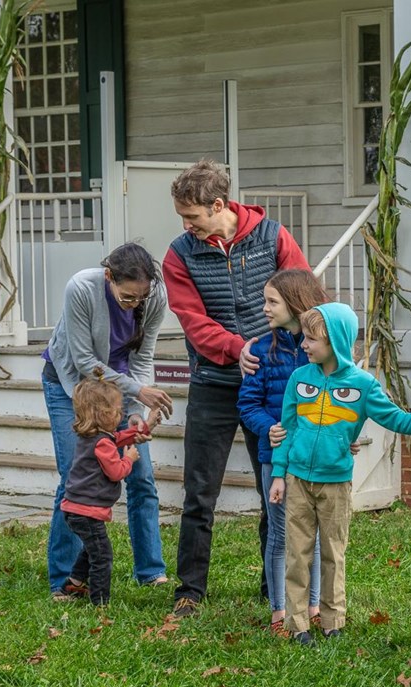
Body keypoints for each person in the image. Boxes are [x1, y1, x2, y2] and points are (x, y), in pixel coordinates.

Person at [163, 159, 311, 618]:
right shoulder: (179, 254)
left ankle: (275, 587)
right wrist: (235, 347)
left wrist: (288, 355)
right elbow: (192, 321)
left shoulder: (274, 237)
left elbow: (304, 296)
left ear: (220, 205)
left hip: (272, 387)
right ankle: (190, 590)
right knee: (199, 492)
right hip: (214, 381)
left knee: (275, 487)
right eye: (183, 218)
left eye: (193, 216)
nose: (187, 226)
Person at [268, 303, 411, 645]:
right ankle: (297, 624)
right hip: (297, 479)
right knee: (297, 554)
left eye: (312, 339)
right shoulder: (299, 379)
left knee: (333, 552)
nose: (304, 345)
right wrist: (279, 474)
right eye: (305, 337)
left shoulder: (363, 385)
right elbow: (287, 429)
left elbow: (395, 418)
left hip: (336, 482)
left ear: (336, 341)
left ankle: (332, 620)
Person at [43, 243, 172, 596]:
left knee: (141, 477)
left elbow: (143, 359)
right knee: (74, 477)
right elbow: (86, 362)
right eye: (127, 298)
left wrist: (134, 412)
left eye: (140, 299)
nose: (134, 305)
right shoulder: (81, 288)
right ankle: (65, 580)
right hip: (72, 386)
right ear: (109, 277)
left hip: (121, 391)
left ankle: (150, 571)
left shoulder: (154, 297)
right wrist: (140, 392)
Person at [236, 270, 326, 635]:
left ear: (295, 302)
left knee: (313, 534)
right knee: (279, 534)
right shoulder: (259, 351)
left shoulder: (322, 349)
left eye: (272, 301)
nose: (265, 308)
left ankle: (314, 606)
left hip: (316, 457)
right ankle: (280, 613)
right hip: (275, 458)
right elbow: (248, 403)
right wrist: (266, 427)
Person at [54, 372, 161, 606]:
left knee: (91, 549)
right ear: (103, 414)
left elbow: (118, 438)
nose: (121, 414)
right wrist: (130, 459)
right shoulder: (102, 442)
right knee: (102, 556)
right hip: (86, 511)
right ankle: (100, 602)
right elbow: (117, 472)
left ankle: (72, 584)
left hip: (76, 510)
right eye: (117, 410)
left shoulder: (91, 436)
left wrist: (145, 427)